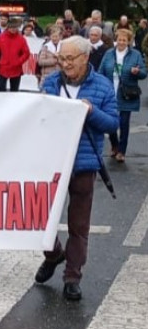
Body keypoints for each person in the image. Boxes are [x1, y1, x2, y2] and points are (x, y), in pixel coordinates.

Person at [35, 36, 119, 301]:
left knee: (79, 225)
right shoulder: (50, 83)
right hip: (52, 164)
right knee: (41, 218)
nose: (65, 64)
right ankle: (54, 254)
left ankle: (72, 275)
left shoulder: (103, 87)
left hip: (83, 165)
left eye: (71, 59)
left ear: (85, 58)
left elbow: (112, 124)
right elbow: (39, 117)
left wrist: (91, 111)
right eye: (62, 58)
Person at [97, 26, 145, 163]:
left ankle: (122, 151)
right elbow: (100, 71)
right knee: (111, 122)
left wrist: (137, 71)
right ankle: (115, 145)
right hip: (110, 92)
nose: (122, 42)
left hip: (126, 93)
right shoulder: (109, 54)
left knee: (124, 123)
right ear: (115, 40)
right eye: (119, 40)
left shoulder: (135, 55)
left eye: (125, 40)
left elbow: (143, 73)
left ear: (129, 41)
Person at [0, 16, 30, 92]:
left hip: (16, 69)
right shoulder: (0, 37)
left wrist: (18, 61)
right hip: (2, 68)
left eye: (15, 27)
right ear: (8, 27)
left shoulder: (21, 39)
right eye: (11, 27)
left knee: (14, 91)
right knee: (1, 91)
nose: (13, 29)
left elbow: (26, 53)